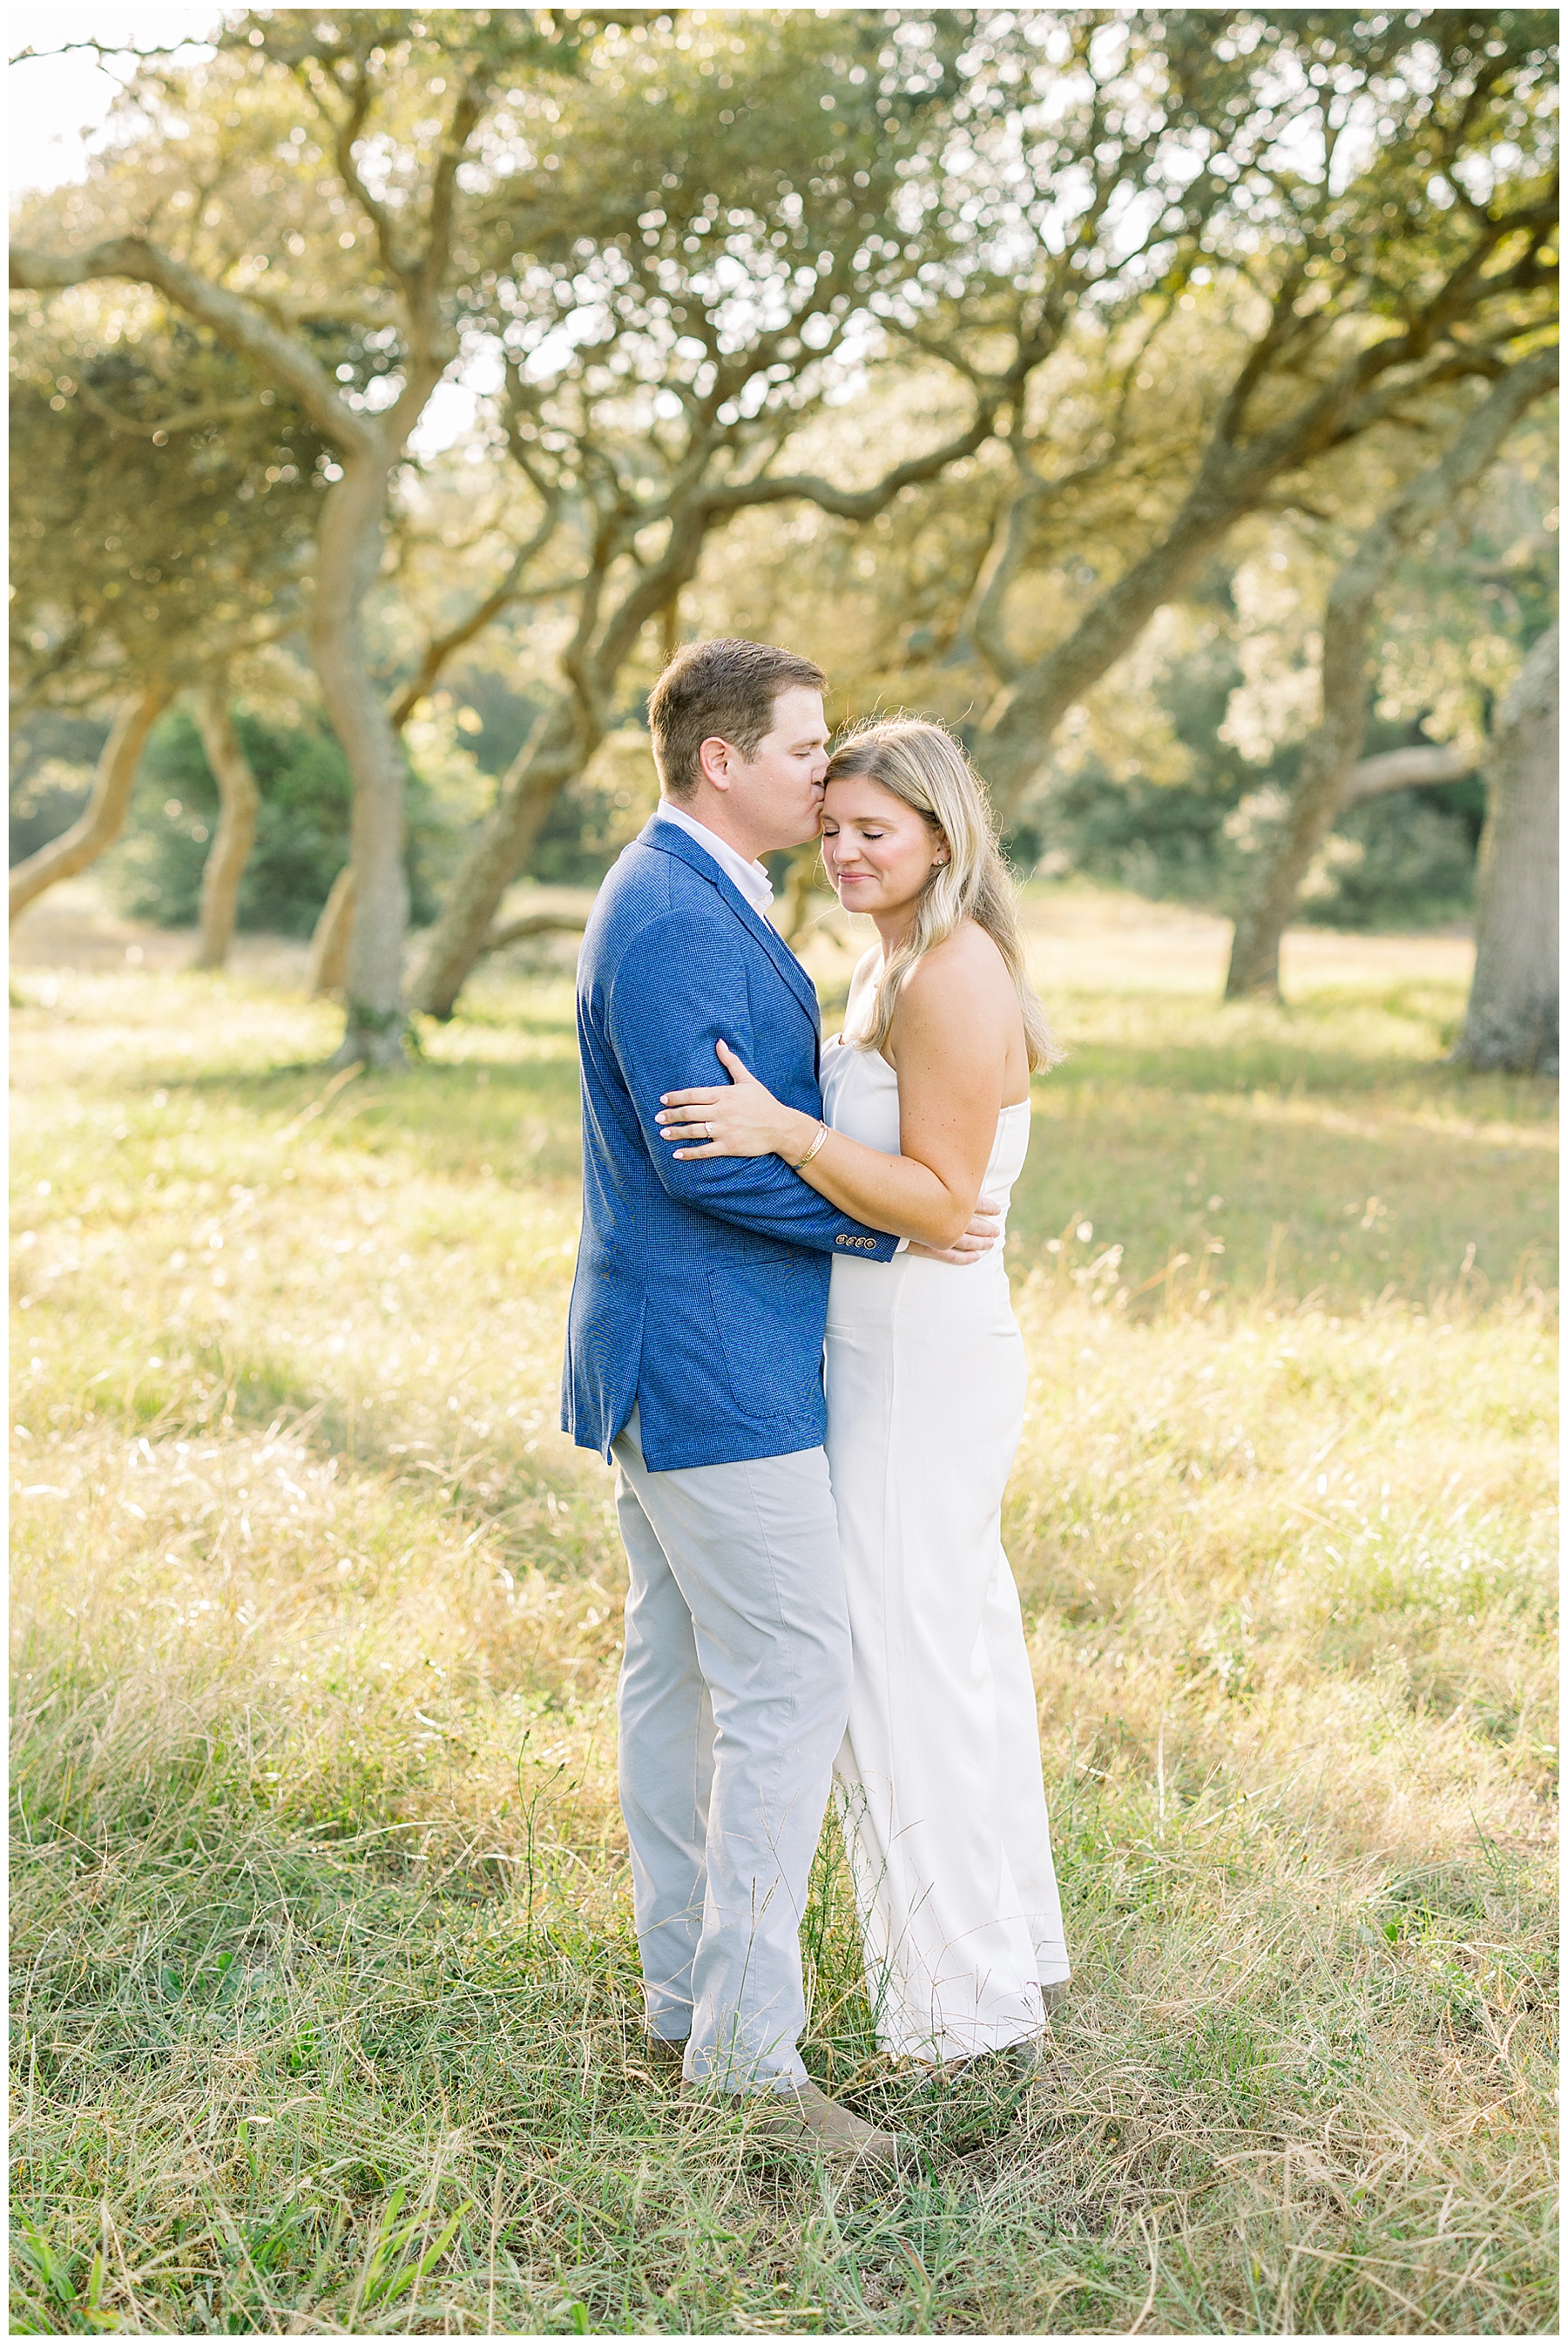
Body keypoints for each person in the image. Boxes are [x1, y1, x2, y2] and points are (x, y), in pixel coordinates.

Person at [561, 641, 1000, 2165]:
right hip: (709, 1364)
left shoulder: (703, 890)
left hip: (688, 1351)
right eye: (806, 749)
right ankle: (747, 2059)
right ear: (722, 759)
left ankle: (687, 1999)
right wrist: (893, 1226)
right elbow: (704, 1153)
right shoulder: (675, 910)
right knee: (791, 1672)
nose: (825, 773)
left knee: (683, 1673)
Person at [655, 715, 1071, 2072]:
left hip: (922, 1356)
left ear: (943, 837)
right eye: (831, 827)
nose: (842, 851)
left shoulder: (949, 974)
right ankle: (1000, 1955)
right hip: (881, 1345)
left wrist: (787, 1131)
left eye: (874, 832)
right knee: (937, 1640)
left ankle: (962, 2007)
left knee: (903, 1658)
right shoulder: (888, 961)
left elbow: (941, 1205)